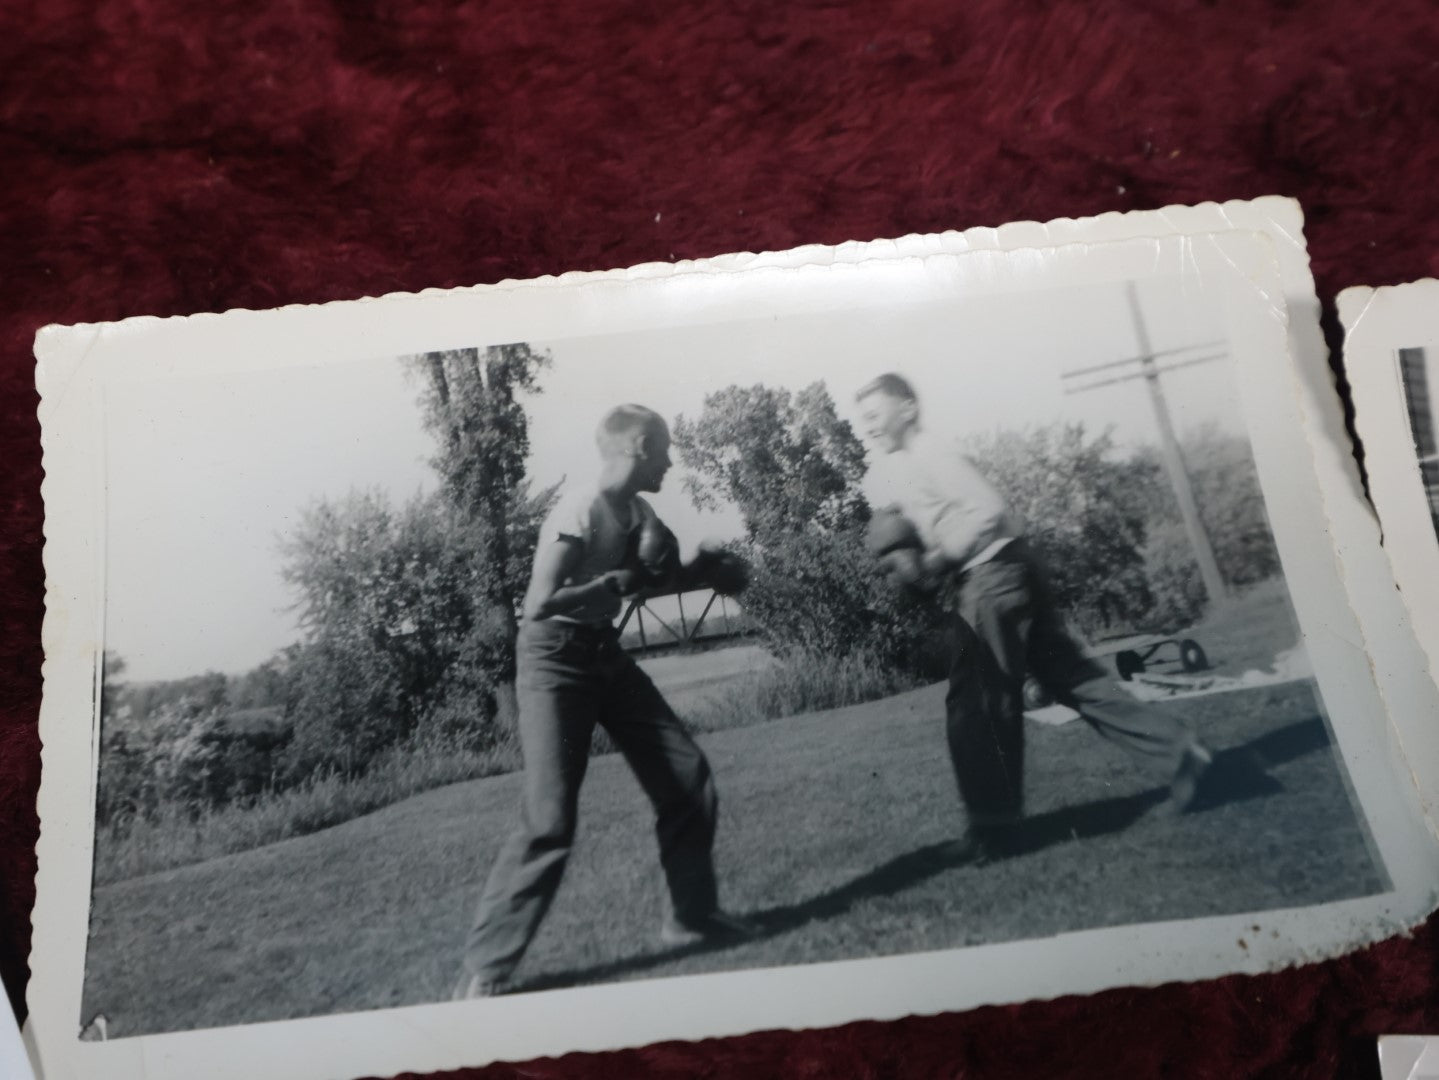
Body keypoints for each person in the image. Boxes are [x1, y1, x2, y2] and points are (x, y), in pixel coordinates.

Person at [455, 404, 754, 999]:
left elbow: (656, 583)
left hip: (603, 655)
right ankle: (485, 971)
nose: (670, 461)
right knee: (549, 818)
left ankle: (690, 917)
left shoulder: (639, 512)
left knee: (687, 776)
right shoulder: (579, 511)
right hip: (552, 659)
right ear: (638, 446)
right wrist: (607, 585)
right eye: (664, 450)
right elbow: (539, 603)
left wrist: (706, 571)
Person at [855, 373, 1212, 860]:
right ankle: (1180, 754)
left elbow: (988, 508)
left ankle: (993, 830)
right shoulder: (917, 462)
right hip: (1012, 570)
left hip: (991, 579)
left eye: (875, 415)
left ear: (908, 408)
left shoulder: (931, 453)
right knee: (1074, 679)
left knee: (977, 704)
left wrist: (938, 559)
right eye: (864, 419)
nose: (868, 426)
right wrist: (909, 548)